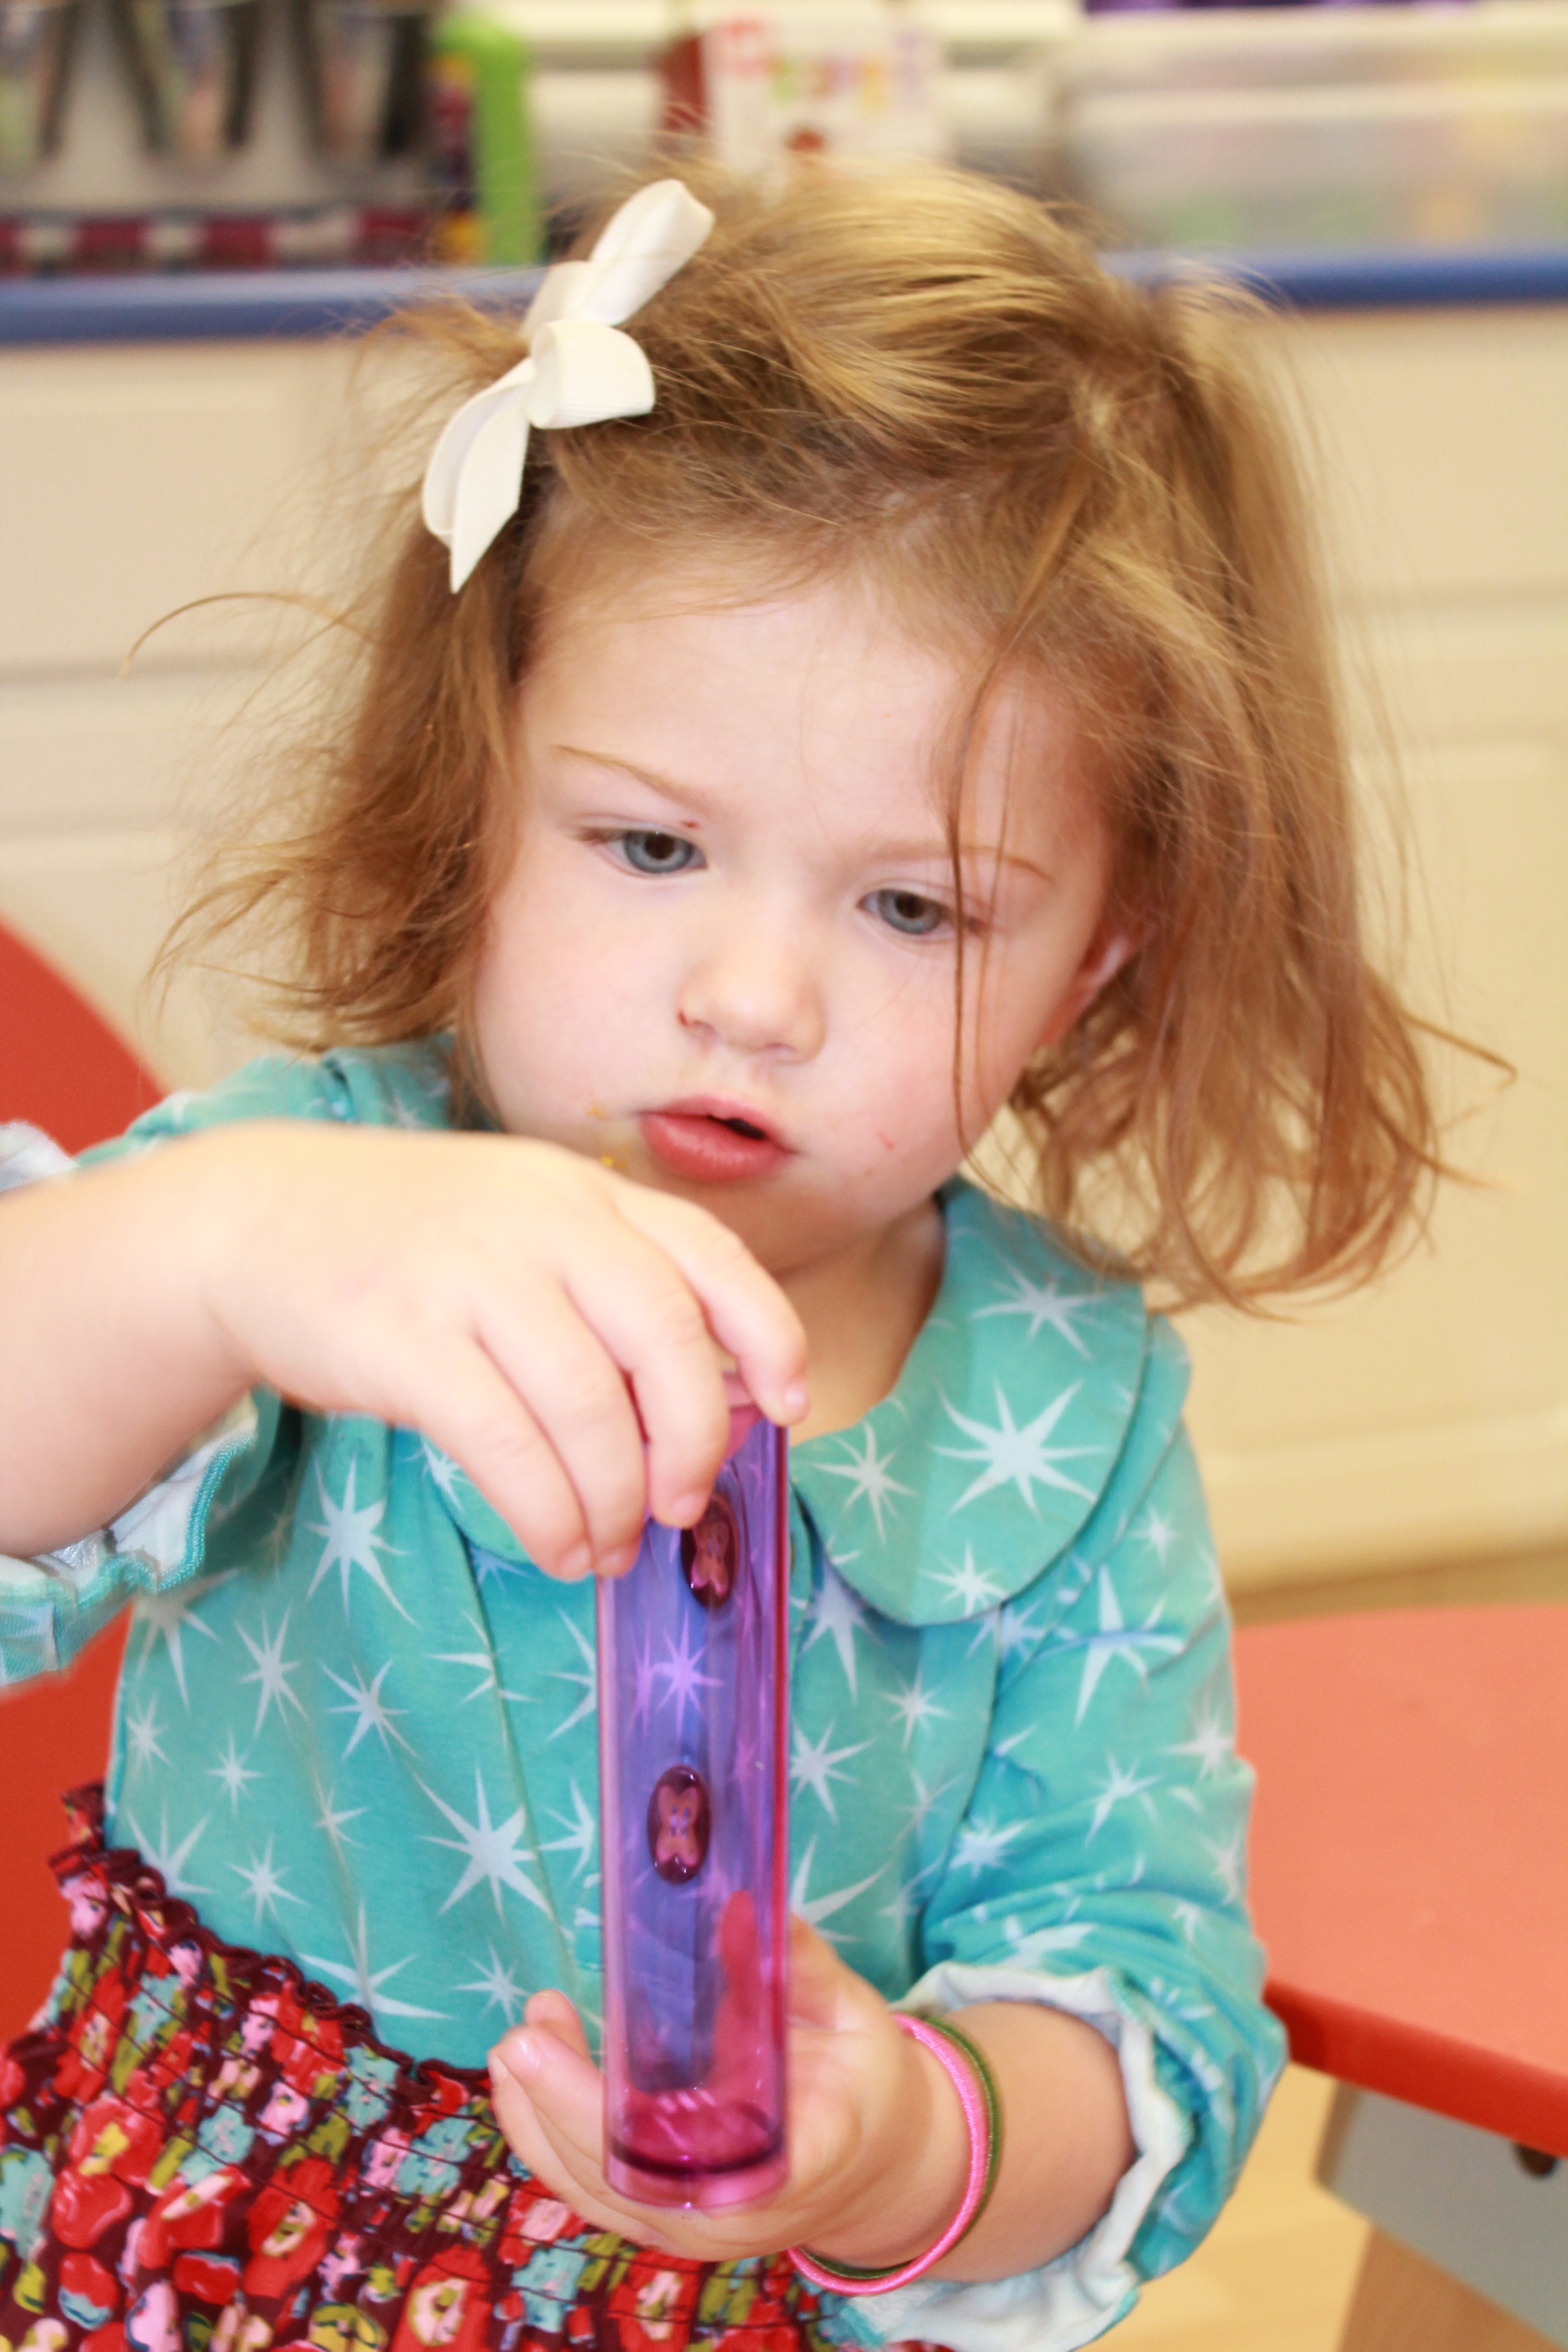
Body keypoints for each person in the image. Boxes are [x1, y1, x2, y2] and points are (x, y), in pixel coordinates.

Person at [0, 167, 1440, 2352]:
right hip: (199, 2283)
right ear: (480, 794)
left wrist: (908, 2142)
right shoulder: (315, 1211)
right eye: (652, 843)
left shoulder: (1065, 1409)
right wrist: (201, 1252)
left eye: (914, 906)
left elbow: (1141, 1983)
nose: (752, 995)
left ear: (1095, 953)